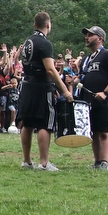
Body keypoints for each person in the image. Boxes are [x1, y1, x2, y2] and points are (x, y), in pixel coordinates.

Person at [17, 12, 73, 171]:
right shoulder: (44, 43)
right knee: (44, 124)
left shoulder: (27, 42)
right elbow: (50, 69)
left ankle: (27, 161)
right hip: (42, 86)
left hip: (27, 85)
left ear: (35, 24)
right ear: (48, 25)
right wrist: (64, 90)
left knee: (27, 123)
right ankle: (43, 163)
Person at [79, 26, 108, 170]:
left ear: (100, 39)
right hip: (89, 101)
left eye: (91, 35)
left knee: (103, 131)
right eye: (87, 35)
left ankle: (104, 161)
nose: (87, 37)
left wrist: (105, 92)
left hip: (104, 100)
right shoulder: (87, 59)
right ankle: (97, 161)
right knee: (94, 132)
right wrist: (75, 80)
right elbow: (83, 77)